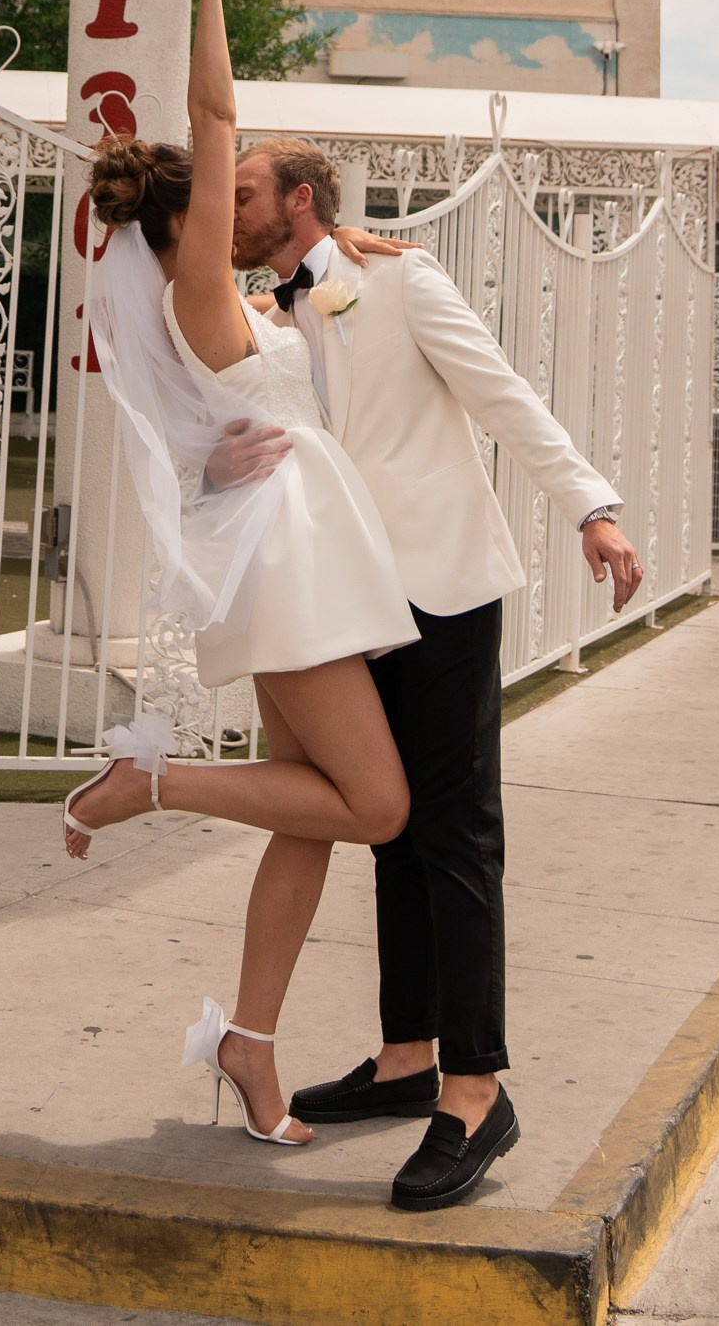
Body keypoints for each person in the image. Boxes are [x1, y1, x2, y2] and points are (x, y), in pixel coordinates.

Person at [205, 139, 647, 1212]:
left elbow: (501, 396)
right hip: (341, 603)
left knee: (454, 839)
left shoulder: (401, 280)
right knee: (383, 831)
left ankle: (475, 1090)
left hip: (443, 591)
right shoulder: (263, 315)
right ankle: (406, 1058)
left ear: (298, 201)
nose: (229, 208)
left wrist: (590, 505)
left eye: (245, 192)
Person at [58, 0, 417, 1152]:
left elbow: (283, 295)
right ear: (188, 223)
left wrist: (340, 244)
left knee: (303, 813)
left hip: (285, 537)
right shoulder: (196, 284)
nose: (234, 198)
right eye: (220, 198)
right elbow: (218, 124)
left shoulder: (210, 300)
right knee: (375, 806)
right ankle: (144, 784)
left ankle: (248, 1045)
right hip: (292, 555)